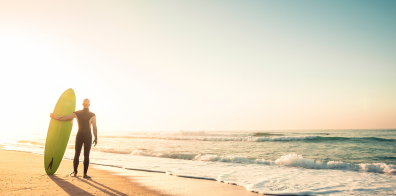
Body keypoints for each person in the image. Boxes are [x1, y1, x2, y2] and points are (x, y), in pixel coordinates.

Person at [50, 98, 98, 178]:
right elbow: (94, 127)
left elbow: (65, 118)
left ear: (82, 104)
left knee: (77, 154)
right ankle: (85, 174)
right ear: (89, 105)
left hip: (79, 135)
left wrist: (54, 117)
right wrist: (96, 137)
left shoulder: (77, 113)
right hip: (88, 136)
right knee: (86, 155)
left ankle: (75, 173)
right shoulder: (92, 115)